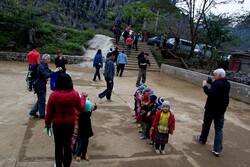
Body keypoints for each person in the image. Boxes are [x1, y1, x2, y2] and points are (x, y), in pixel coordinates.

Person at [45, 73, 85, 167]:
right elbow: (80, 108)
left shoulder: (53, 95)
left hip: (57, 125)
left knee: (58, 146)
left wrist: (47, 123)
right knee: (67, 146)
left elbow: (49, 112)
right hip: (69, 124)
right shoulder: (75, 94)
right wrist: (83, 98)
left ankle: (58, 165)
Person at [194, 68, 231, 156]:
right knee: (219, 129)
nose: (214, 76)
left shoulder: (216, 83)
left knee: (206, 125)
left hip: (211, 109)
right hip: (221, 110)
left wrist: (204, 86)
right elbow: (219, 90)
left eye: (215, 75)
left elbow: (210, 93)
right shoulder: (228, 84)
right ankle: (217, 149)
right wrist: (212, 82)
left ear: (219, 75)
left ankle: (202, 139)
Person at [29, 54, 61, 119]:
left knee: (40, 99)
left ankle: (33, 112)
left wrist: (56, 71)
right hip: (39, 85)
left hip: (41, 84)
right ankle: (42, 115)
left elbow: (50, 72)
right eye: (48, 59)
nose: (49, 60)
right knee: (42, 100)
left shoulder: (44, 65)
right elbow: (46, 75)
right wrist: (54, 71)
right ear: (44, 59)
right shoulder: (41, 66)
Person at [75, 92, 97, 162]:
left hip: (87, 126)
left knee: (85, 141)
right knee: (81, 141)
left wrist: (95, 107)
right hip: (81, 127)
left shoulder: (87, 110)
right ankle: (78, 154)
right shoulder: (79, 112)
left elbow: (92, 108)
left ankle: (84, 154)